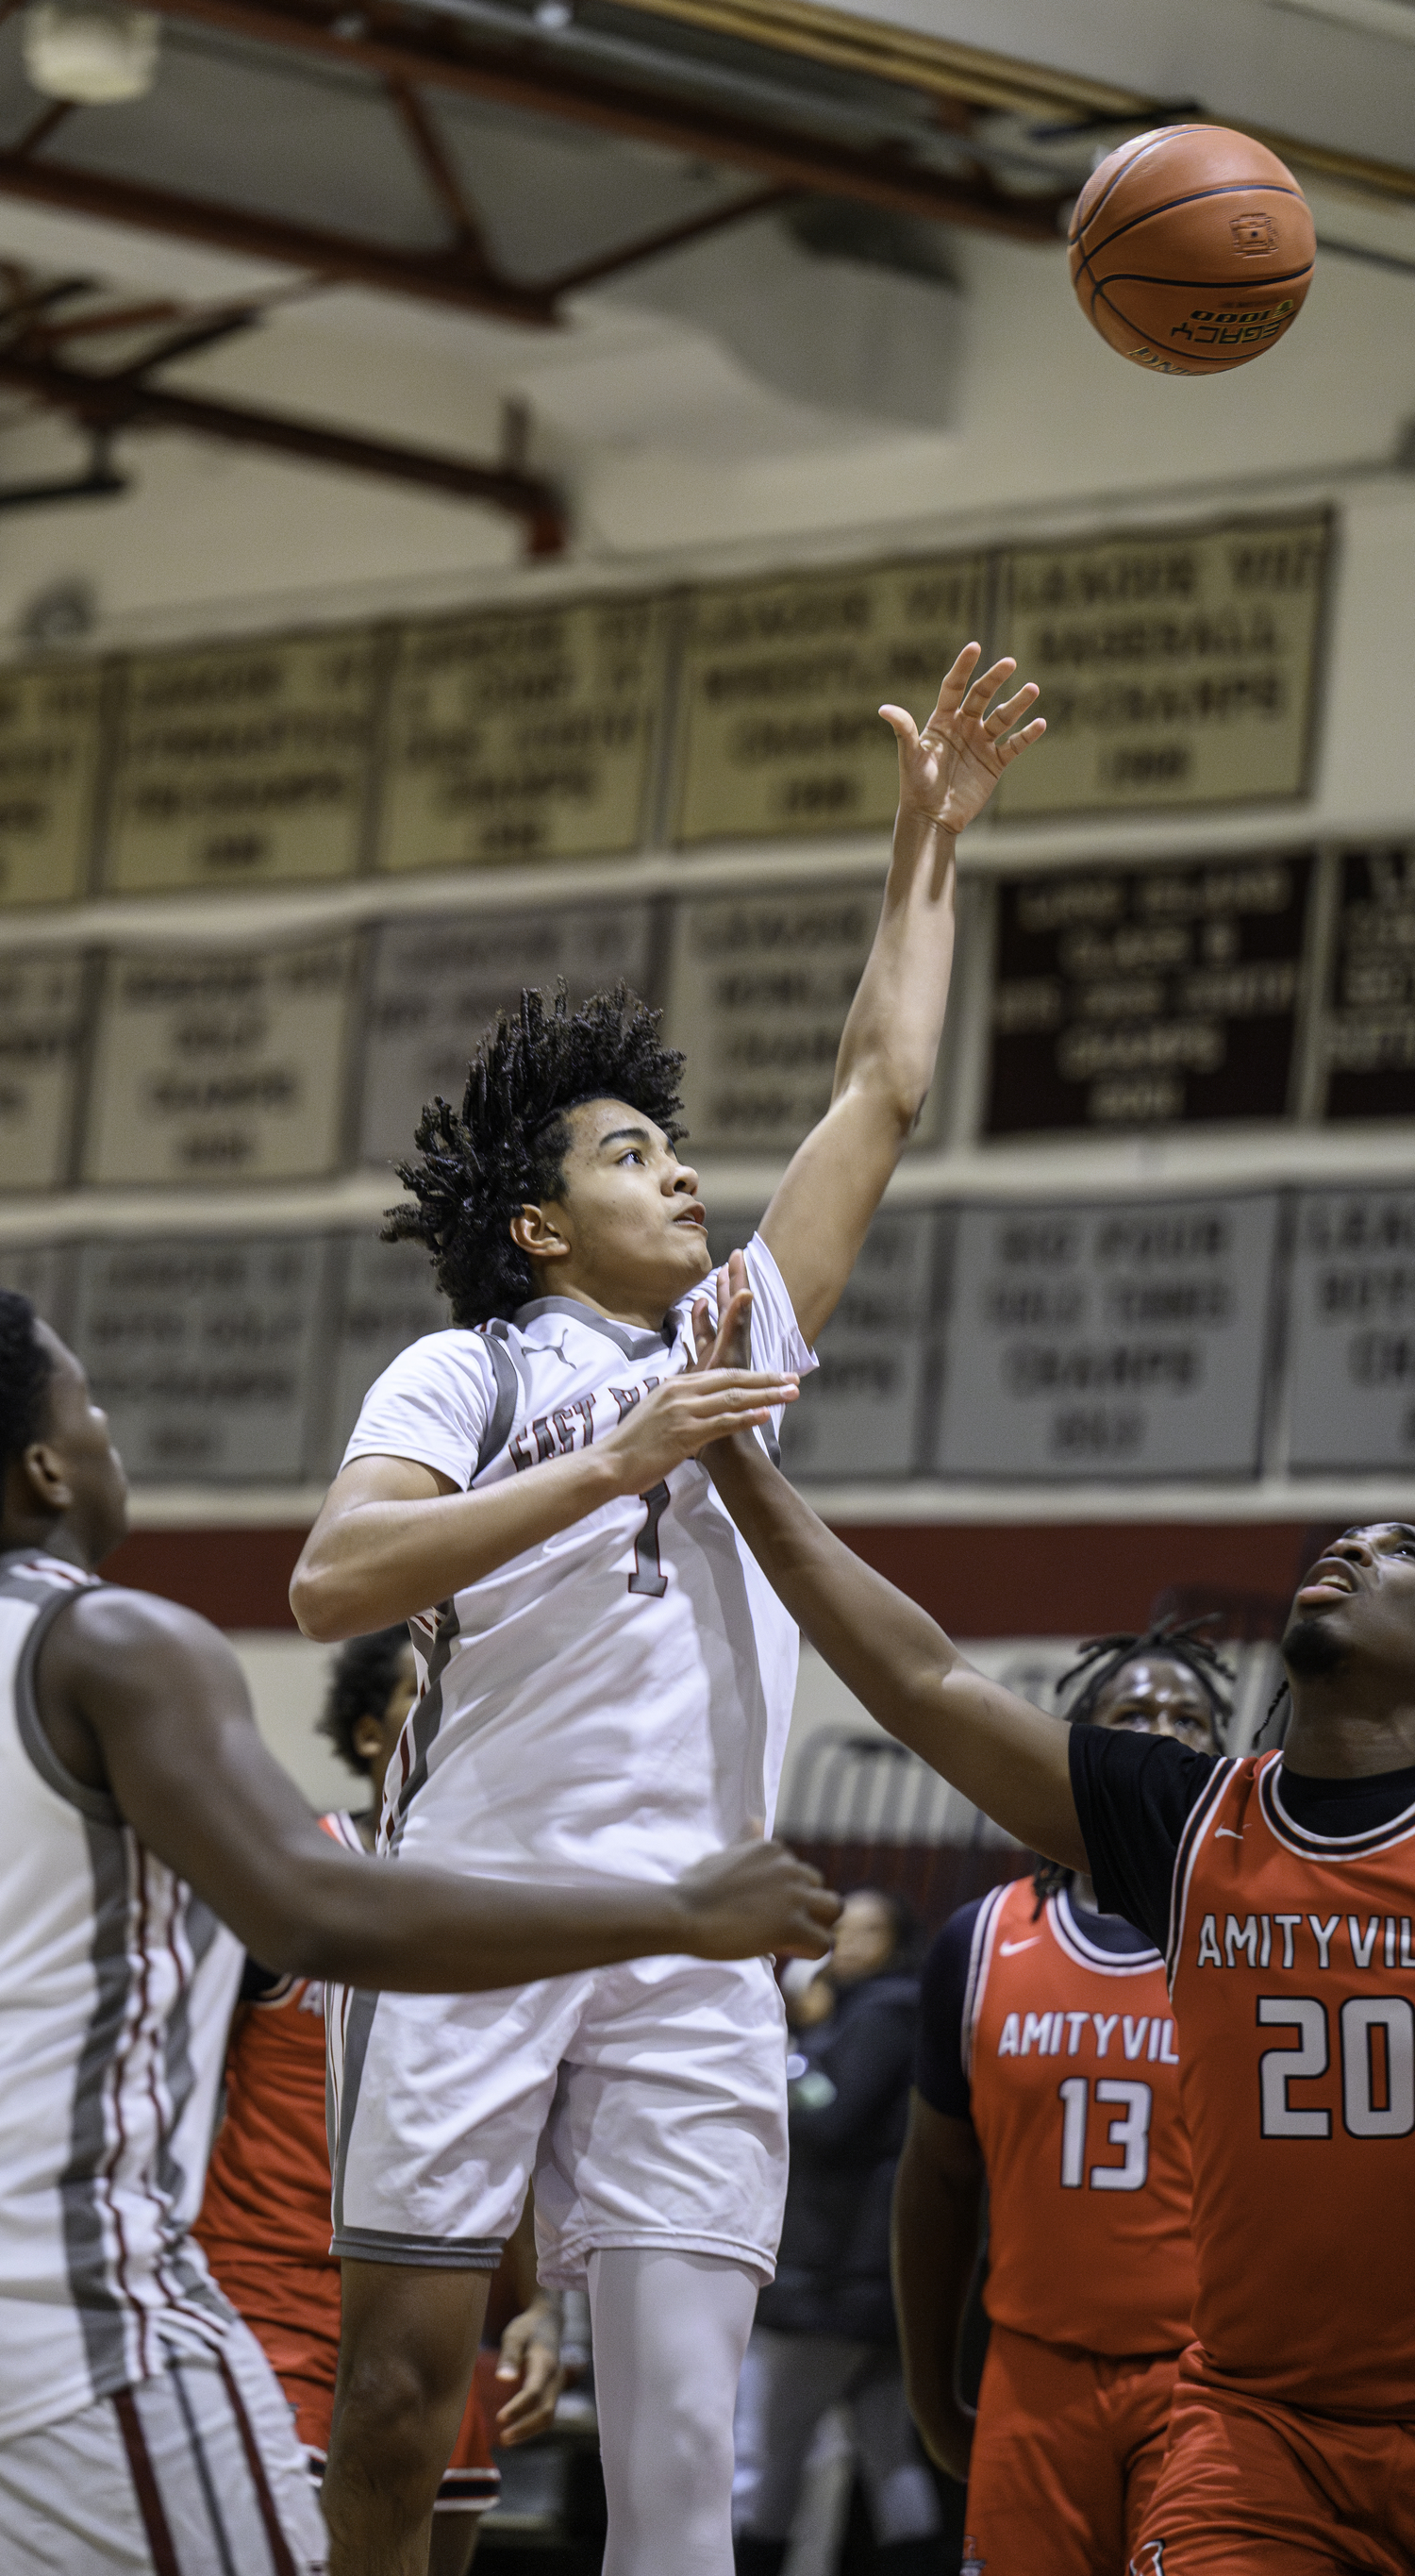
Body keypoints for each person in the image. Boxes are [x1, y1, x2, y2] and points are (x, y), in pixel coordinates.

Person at [289, 643, 1045, 2576]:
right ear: (539, 1226)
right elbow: (332, 1581)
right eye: (631, 1152)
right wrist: (614, 1464)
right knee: (398, 2409)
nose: (683, 1166)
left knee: (687, 2447)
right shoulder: (463, 1375)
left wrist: (927, 848)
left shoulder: (740, 1336)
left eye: (673, 1140)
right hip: (478, 1907)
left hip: (705, 1932)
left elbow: (884, 1078)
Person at [0, 1293, 836, 2576]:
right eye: (93, 1410)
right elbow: (319, 1912)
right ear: (47, 1465)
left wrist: (535, 2297)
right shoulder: (105, 1640)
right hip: (79, 2314)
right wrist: (675, 1911)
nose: (114, 1436)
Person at [692, 1275, 1415, 2576]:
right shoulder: (1195, 1830)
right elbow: (927, 1679)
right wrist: (739, 1461)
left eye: (1400, 1549)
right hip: (1253, 2428)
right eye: (1341, 1540)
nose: (1352, 1549)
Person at [195, 1626, 566, 2575]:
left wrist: (541, 2302)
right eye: (425, 1692)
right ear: (372, 1734)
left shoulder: (504, 1899)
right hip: (269, 2298)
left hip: (434, 2309)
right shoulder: (291, 1878)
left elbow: (510, 2129)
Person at [895, 1625, 1228, 2576]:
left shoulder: (1252, 1938)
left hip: (1210, 2385)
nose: (1164, 1730)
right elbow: (937, 2187)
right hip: (1033, 2377)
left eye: (1191, 1717)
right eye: (1134, 1712)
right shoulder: (983, 1939)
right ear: (1078, 1745)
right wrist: (931, 2394)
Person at [734, 1890, 943, 2576]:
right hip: (862, 2275)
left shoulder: (886, 2011)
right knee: (888, 2455)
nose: (847, 1944)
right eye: (840, 1930)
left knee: (766, 2453)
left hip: (830, 2278)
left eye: (868, 1931)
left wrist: (788, 2053)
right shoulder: (877, 2009)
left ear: (897, 1938)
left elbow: (830, 2115)